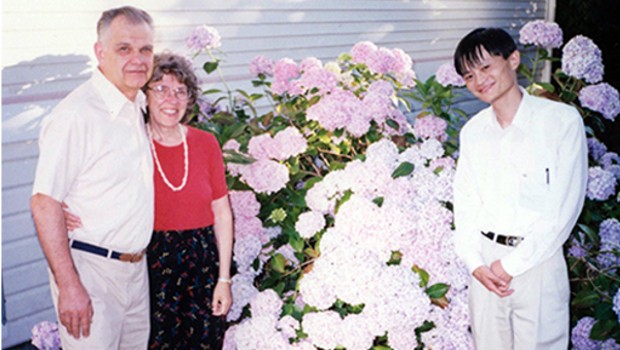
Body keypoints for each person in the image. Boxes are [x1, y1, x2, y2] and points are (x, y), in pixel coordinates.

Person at [65, 52, 234, 349]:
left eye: (181, 91)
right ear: (145, 96)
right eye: (162, 89)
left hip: (202, 265)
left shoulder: (205, 143)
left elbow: (222, 212)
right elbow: (93, 181)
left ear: (190, 99)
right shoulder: (130, 142)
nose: (172, 99)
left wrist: (224, 279)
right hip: (151, 265)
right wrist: (68, 208)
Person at [452, 27, 587, 349]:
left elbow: (563, 209)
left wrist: (510, 266)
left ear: (512, 60)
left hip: (537, 262)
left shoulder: (560, 122)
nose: (479, 80)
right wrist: (476, 264)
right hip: (485, 266)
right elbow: (466, 205)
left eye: (485, 67)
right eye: (469, 76)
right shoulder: (473, 132)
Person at [30, 6, 155, 349]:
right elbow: (44, 202)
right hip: (92, 273)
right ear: (100, 52)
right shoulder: (77, 114)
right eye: (124, 48)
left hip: (135, 271)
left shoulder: (137, 104)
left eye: (146, 49)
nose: (138, 59)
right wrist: (70, 285)